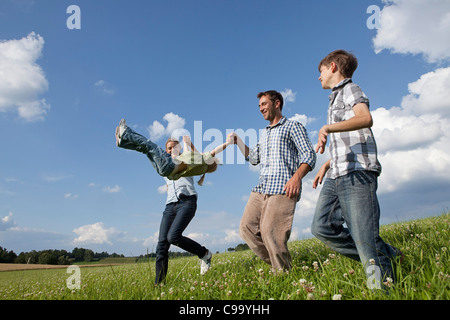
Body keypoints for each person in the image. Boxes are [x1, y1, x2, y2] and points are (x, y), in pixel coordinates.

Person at [311, 50, 402, 288]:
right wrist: (326, 164)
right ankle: (387, 253)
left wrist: (328, 129)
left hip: (357, 173)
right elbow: (348, 141)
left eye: (320, 71)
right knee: (321, 227)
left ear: (332, 67)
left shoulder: (351, 89)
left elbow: (365, 118)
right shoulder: (333, 98)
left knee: (365, 241)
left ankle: (383, 289)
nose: (318, 77)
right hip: (336, 174)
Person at [229, 90, 316, 273]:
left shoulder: (293, 126)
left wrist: (296, 178)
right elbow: (253, 158)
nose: (261, 109)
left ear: (276, 104)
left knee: (271, 233)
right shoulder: (264, 134)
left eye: (264, 104)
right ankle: (282, 267)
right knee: (246, 228)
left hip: (284, 187)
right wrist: (237, 141)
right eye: (259, 105)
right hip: (262, 188)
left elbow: (309, 155)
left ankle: (283, 274)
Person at [154, 138, 212, 284]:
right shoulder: (165, 165)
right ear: (166, 150)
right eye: (168, 148)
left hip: (187, 201)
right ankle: (159, 284)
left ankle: (204, 253)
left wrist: (189, 144)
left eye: (174, 147)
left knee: (173, 237)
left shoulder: (186, 161)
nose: (171, 149)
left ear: (179, 149)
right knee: (162, 245)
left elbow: (200, 159)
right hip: (169, 205)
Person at [115, 119, 231, 185]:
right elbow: (190, 155)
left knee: (149, 144)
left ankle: (125, 133)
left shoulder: (202, 160)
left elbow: (214, 151)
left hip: (169, 165)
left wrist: (228, 143)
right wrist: (187, 143)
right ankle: (122, 142)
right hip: (165, 171)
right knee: (146, 149)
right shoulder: (199, 167)